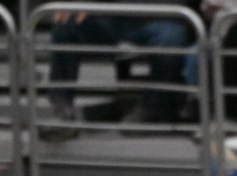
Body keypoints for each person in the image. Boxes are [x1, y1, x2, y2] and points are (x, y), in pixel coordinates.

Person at [40, 10, 192, 142]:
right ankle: (63, 112)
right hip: (112, 16)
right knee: (66, 22)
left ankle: (153, 109)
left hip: (161, 17)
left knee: (172, 36)